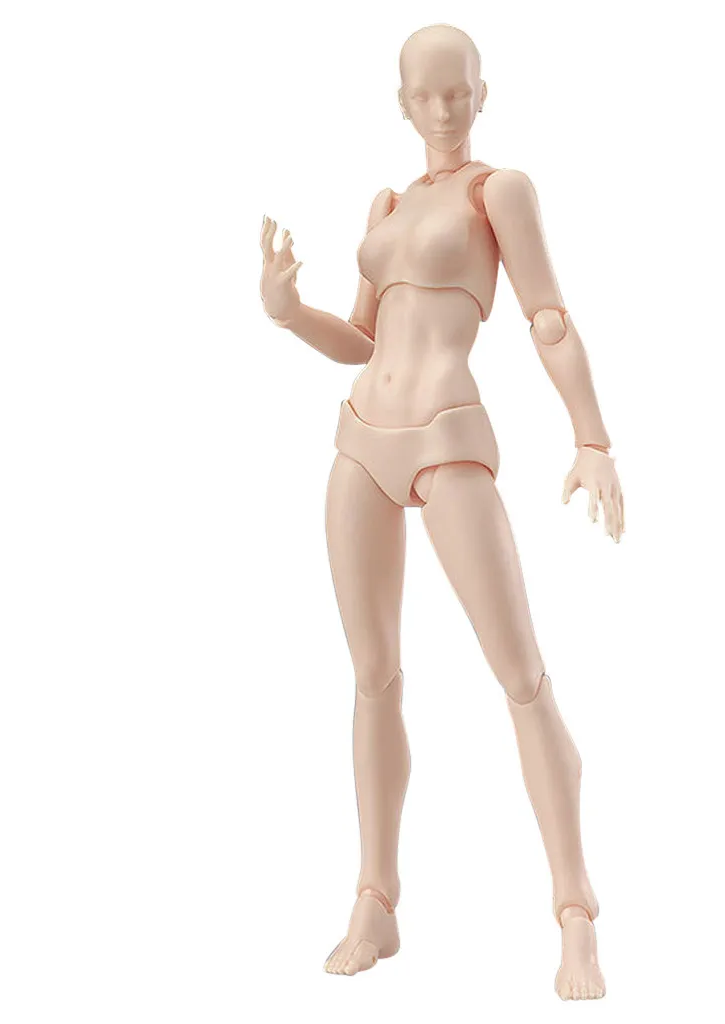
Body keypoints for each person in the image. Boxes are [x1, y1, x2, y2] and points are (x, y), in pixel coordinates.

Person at [259, 23, 623, 1001]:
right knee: (372, 677)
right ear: (402, 104)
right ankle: (375, 899)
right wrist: (288, 314)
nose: (445, 108)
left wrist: (591, 436)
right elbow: (362, 335)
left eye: (459, 90)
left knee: (521, 675)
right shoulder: (384, 205)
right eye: (427, 93)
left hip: (447, 437)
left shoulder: (498, 192)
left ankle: (575, 913)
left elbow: (548, 317)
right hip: (359, 442)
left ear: (481, 92)